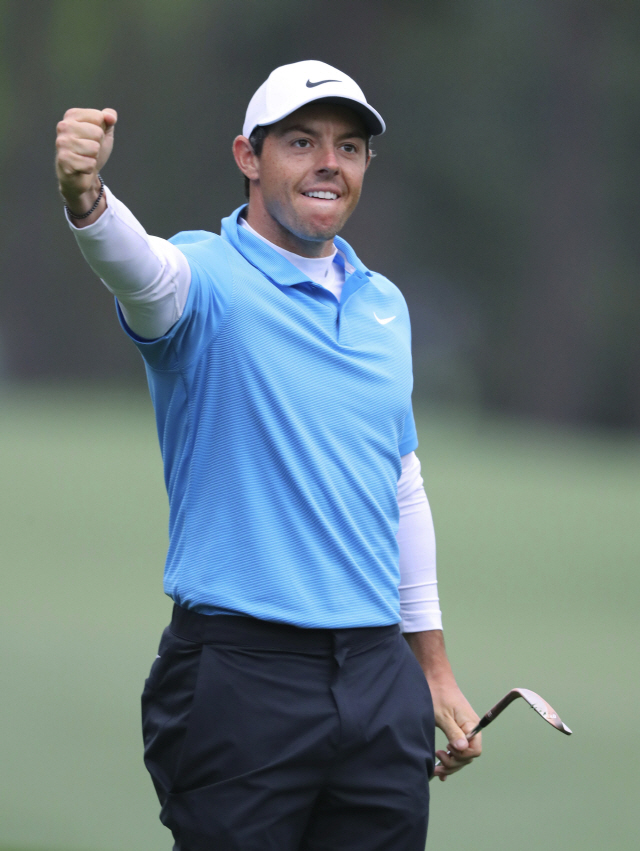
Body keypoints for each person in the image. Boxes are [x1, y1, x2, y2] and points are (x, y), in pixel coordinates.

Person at [55, 60, 481, 851]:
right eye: (302, 141)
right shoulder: (204, 279)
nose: (330, 162)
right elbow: (136, 267)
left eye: (349, 147)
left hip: (376, 672)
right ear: (249, 156)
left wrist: (432, 667)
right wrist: (86, 197)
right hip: (239, 674)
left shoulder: (383, 303)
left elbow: (401, 482)